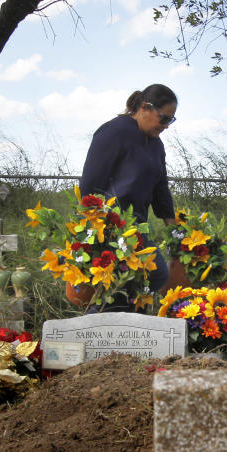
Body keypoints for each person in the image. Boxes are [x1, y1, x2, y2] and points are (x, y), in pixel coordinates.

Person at [80, 84, 179, 306]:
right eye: (163, 119)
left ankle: (122, 327)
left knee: (153, 276)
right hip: (109, 229)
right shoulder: (114, 132)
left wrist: (175, 231)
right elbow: (90, 185)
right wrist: (98, 229)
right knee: (140, 279)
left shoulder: (156, 145)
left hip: (136, 228)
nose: (166, 126)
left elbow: (160, 189)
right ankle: (101, 329)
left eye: (171, 121)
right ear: (145, 107)